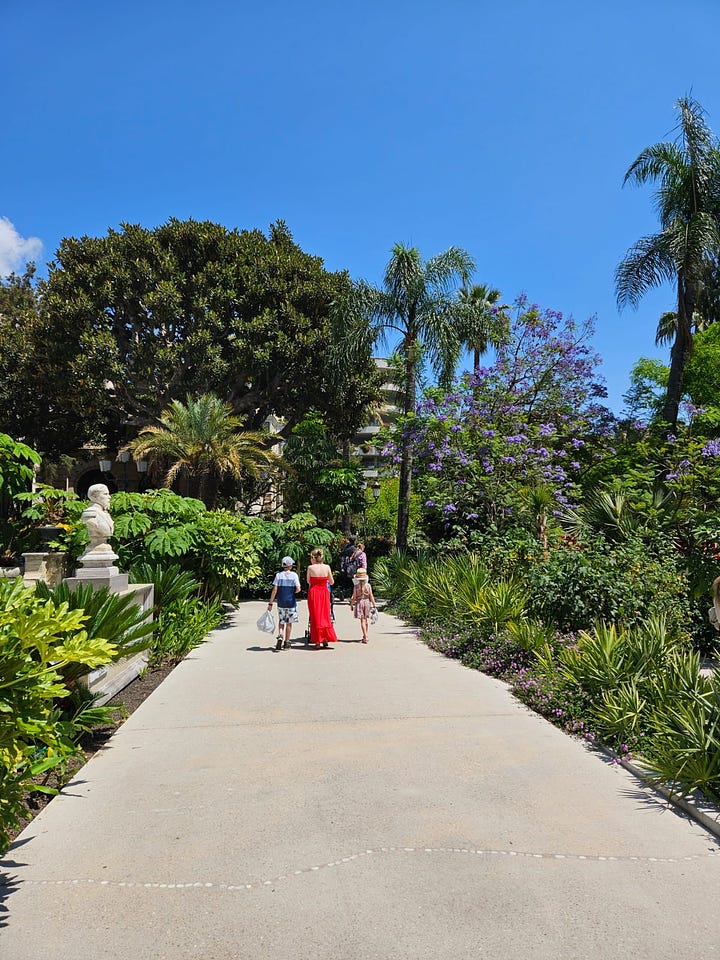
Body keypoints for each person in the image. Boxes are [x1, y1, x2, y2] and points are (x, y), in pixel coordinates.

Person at [306, 548, 338, 648]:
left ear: (314, 558)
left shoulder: (310, 568)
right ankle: (325, 638)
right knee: (325, 615)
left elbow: (308, 581)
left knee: (315, 616)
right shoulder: (327, 567)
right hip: (324, 592)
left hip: (314, 592)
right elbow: (332, 582)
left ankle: (317, 641)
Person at [267, 556, 301, 651]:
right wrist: (292, 592)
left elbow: (274, 590)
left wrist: (270, 603)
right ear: (290, 565)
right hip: (290, 602)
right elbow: (298, 589)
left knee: (281, 620)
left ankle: (280, 634)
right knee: (289, 622)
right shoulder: (294, 575)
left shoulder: (278, 575)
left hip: (280, 601)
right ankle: (287, 642)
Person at [81, 483, 115, 552]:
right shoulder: (90, 514)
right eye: (105, 494)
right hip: (95, 549)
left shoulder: (104, 513)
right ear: (94, 497)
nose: (109, 497)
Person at [349, 568, 376, 643]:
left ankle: (365, 636)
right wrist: (374, 605)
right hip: (367, 603)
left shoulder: (356, 586)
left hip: (359, 603)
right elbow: (371, 596)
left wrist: (351, 605)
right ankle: (365, 635)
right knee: (366, 620)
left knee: (362, 621)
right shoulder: (368, 586)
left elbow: (354, 597)